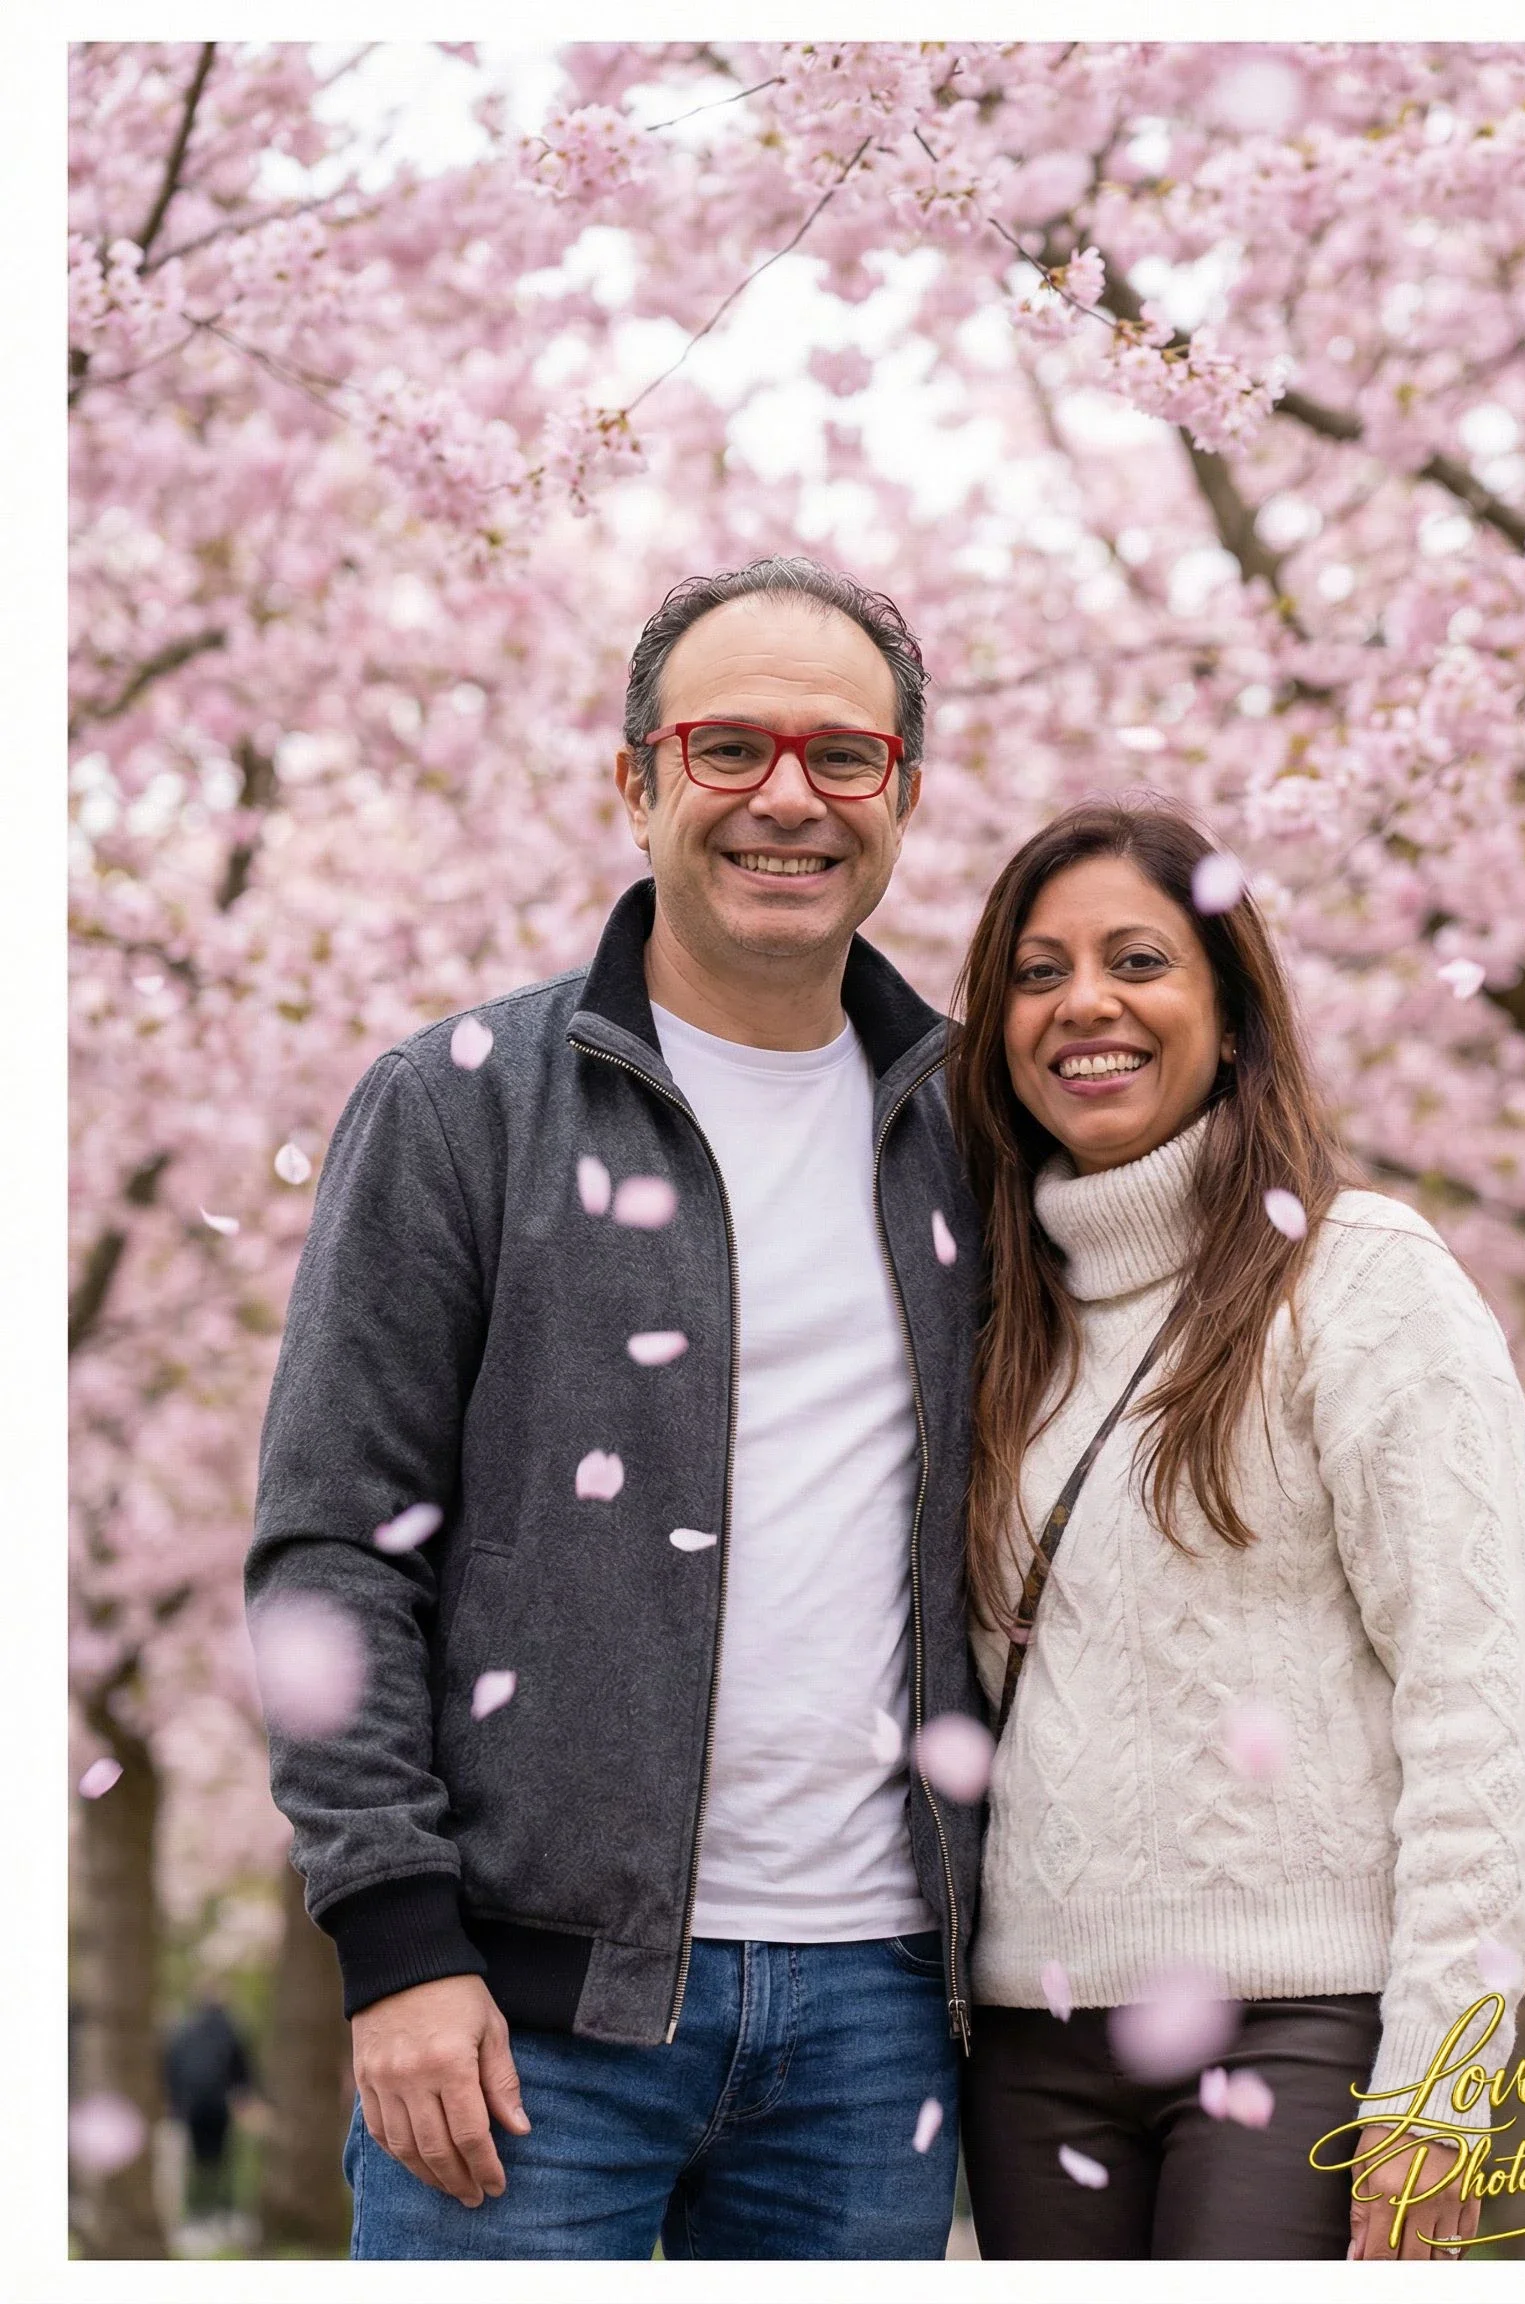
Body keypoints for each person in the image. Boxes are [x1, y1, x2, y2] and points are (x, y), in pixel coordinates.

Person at [247, 558, 987, 2260]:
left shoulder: (975, 1134)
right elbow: (330, 1549)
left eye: (843, 755)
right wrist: (396, 1942)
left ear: (903, 797)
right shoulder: (459, 1108)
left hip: (881, 2015)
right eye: (728, 746)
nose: (787, 796)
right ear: (637, 781)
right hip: (519, 2021)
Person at [946, 800, 1525, 2261]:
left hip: (1302, 2023)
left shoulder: (1363, 1279)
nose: (1083, 1003)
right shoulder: (996, 1319)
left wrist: (1440, 2085)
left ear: (1230, 1019)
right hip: (1033, 2042)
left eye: (1137, 961)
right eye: (1037, 973)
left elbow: (1479, 1697)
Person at [162, 1997, 254, 2219]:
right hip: (219, 2106)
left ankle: (198, 2208)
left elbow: (172, 2067)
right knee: (221, 2158)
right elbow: (242, 2071)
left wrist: (174, 2103)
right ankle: (222, 2207)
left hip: (190, 2106)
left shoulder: (184, 2032)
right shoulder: (231, 2030)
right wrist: (244, 2098)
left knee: (196, 2158)